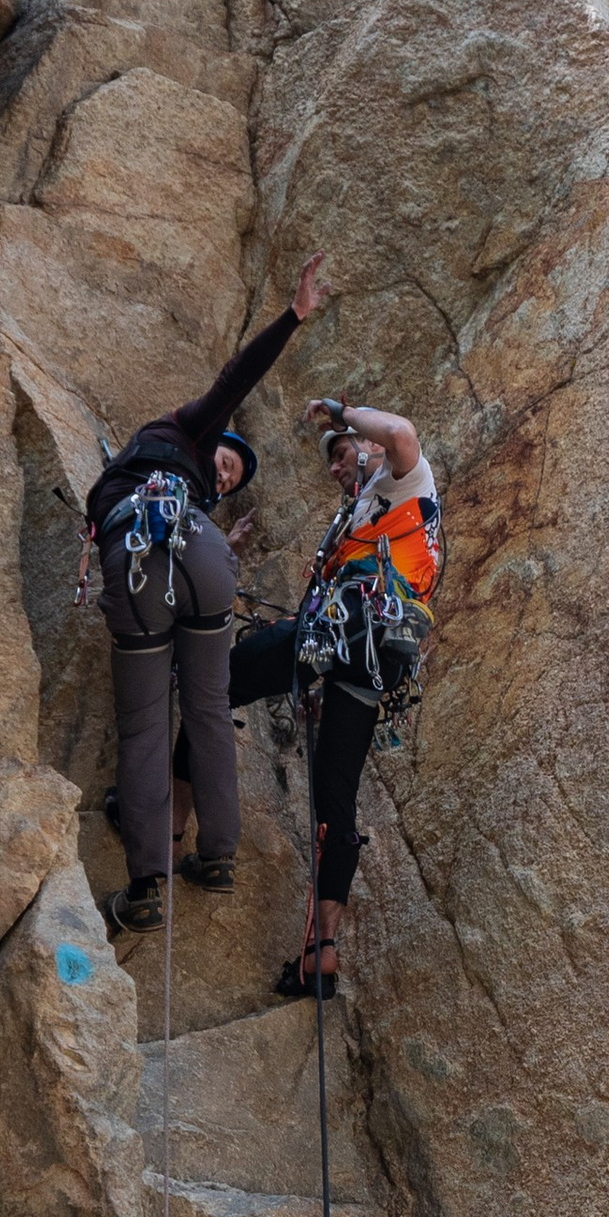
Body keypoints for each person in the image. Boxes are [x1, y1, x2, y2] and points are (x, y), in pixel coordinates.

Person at [88, 250, 331, 936]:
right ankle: (217, 854)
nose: (223, 479)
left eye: (228, 482)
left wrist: (228, 544)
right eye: (226, 465)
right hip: (192, 557)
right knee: (208, 709)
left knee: (145, 725)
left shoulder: (143, 469)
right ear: (207, 436)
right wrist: (293, 315)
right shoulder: (187, 426)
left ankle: (143, 885)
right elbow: (234, 379)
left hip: (140, 559)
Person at [228, 389, 443, 999]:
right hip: (372, 658)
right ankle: (321, 951)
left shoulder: (404, 481)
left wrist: (341, 411)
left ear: (369, 450)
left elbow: (401, 431)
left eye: (343, 452)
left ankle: (177, 805)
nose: (336, 464)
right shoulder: (365, 516)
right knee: (334, 796)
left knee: (232, 672)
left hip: (354, 628)